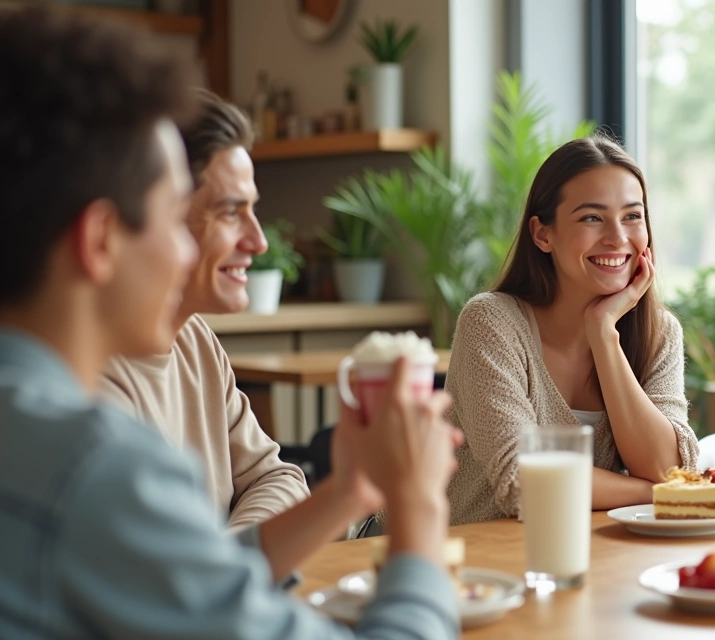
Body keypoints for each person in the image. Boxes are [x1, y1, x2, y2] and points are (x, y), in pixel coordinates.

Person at [0, 8, 460, 639]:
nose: (189, 254)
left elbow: (178, 578)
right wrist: (418, 511)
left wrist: (350, 489)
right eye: (171, 217)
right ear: (100, 239)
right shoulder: (97, 467)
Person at [445, 136, 698, 525]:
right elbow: (524, 484)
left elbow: (667, 467)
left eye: (633, 216)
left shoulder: (659, 332)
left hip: (586, 557)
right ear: (542, 234)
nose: (618, 237)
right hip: (465, 562)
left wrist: (603, 334)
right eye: (591, 218)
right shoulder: (492, 323)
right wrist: (655, 493)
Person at [99, 90, 315, 532]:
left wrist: (228, 557)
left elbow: (278, 478)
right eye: (230, 213)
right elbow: (164, 575)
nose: (259, 242)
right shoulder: (89, 379)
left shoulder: (195, 340)